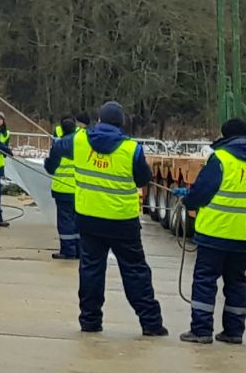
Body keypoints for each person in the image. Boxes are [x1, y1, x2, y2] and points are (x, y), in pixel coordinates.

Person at [73, 100, 166, 337]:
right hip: (122, 221)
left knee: (91, 269)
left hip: (89, 218)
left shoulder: (80, 140)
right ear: (122, 124)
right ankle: (151, 323)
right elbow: (143, 179)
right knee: (135, 270)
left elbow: (55, 157)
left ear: (100, 120)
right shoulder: (131, 149)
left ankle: (90, 321)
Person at [179, 117, 246, 346]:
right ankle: (234, 332)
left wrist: (187, 199)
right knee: (237, 283)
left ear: (225, 135)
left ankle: (201, 330)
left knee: (205, 281)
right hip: (243, 235)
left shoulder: (220, 159)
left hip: (215, 233)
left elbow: (202, 193)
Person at [42, 115, 80, 260]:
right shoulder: (83, 144)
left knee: (65, 221)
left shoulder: (59, 146)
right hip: (80, 188)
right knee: (78, 221)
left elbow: (51, 167)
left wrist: (47, 162)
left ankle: (68, 250)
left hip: (63, 189)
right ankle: (79, 249)